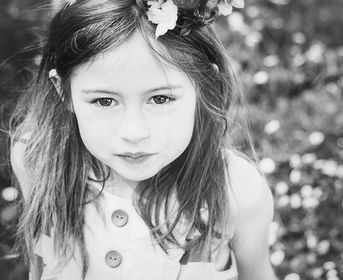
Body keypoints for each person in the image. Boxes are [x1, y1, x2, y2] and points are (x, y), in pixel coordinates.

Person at [9, 0, 277, 279]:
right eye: (104, 101)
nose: (134, 132)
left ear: (204, 86)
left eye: (160, 98)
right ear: (63, 91)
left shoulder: (237, 191)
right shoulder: (37, 159)